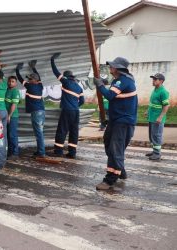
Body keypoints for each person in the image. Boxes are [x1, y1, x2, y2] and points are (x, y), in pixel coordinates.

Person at [93, 57, 137, 190]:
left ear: (118, 68)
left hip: (123, 121)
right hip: (116, 120)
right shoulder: (119, 80)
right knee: (108, 143)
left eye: (112, 66)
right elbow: (117, 100)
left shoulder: (123, 80)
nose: (110, 67)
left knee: (115, 149)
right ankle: (120, 169)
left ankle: (110, 179)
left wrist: (100, 85)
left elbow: (110, 96)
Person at [50, 52, 85, 159]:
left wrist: (52, 60)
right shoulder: (79, 87)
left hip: (67, 111)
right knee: (74, 131)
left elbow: (56, 72)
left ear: (66, 76)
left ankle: (58, 151)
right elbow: (82, 101)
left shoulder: (66, 82)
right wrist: (75, 106)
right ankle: (72, 152)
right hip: (75, 111)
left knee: (62, 130)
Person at [16, 60, 45, 158]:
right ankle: (40, 151)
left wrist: (17, 70)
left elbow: (20, 79)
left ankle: (41, 152)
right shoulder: (40, 86)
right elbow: (39, 77)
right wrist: (33, 67)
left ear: (34, 81)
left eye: (30, 79)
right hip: (41, 111)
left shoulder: (30, 86)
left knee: (39, 133)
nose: (28, 80)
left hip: (36, 113)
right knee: (39, 132)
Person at [145, 73, 170, 161]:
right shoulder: (155, 89)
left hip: (157, 119)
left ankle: (157, 154)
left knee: (157, 135)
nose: (153, 81)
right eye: (153, 79)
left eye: (155, 79)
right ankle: (154, 151)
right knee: (152, 135)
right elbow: (152, 103)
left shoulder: (163, 92)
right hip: (152, 117)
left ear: (161, 81)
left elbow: (166, 106)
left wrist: (160, 117)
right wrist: (147, 111)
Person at [5, 76, 20, 158]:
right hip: (6, 116)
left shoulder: (15, 91)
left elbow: (14, 105)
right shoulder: (7, 90)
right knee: (8, 134)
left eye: (13, 81)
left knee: (12, 134)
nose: (10, 83)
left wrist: (9, 115)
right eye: (9, 81)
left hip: (12, 116)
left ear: (16, 83)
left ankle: (15, 153)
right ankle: (10, 152)